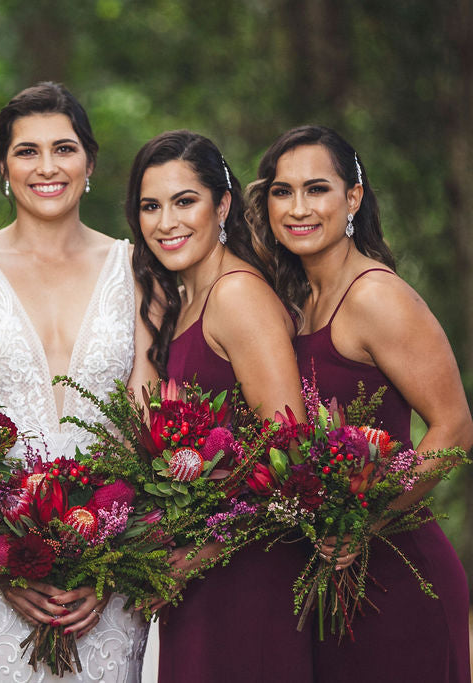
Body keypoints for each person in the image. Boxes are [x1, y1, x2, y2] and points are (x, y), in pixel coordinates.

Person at [0, 82, 155, 682]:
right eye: (27, 152)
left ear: (90, 162)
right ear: (3, 167)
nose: (47, 167)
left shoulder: (135, 268)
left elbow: (146, 419)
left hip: (110, 564)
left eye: (64, 148)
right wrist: (0, 559)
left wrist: (109, 560)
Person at [246, 124, 473, 682]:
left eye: (316, 189)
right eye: (282, 191)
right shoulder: (297, 301)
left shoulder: (376, 296)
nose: (298, 207)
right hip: (328, 577)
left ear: (353, 198)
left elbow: (455, 429)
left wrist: (365, 521)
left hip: (399, 572)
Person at [126, 130, 310, 682]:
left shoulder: (236, 297)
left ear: (222, 205)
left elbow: (290, 453)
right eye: (150, 207)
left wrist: (196, 556)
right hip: (204, 567)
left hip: (247, 572)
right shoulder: (185, 302)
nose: (166, 222)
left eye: (185, 202)